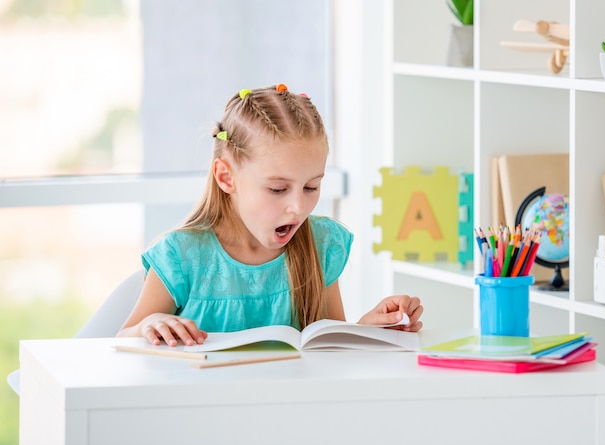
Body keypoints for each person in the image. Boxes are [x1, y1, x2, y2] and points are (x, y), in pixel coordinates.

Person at [117, 84, 423, 346]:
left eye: (311, 187)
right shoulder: (181, 257)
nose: (298, 207)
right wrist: (147, 327)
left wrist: (369, 330)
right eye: (278, 189)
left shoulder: (322, 245)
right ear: (226, 178)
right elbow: (120, 341)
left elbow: (329, 345)